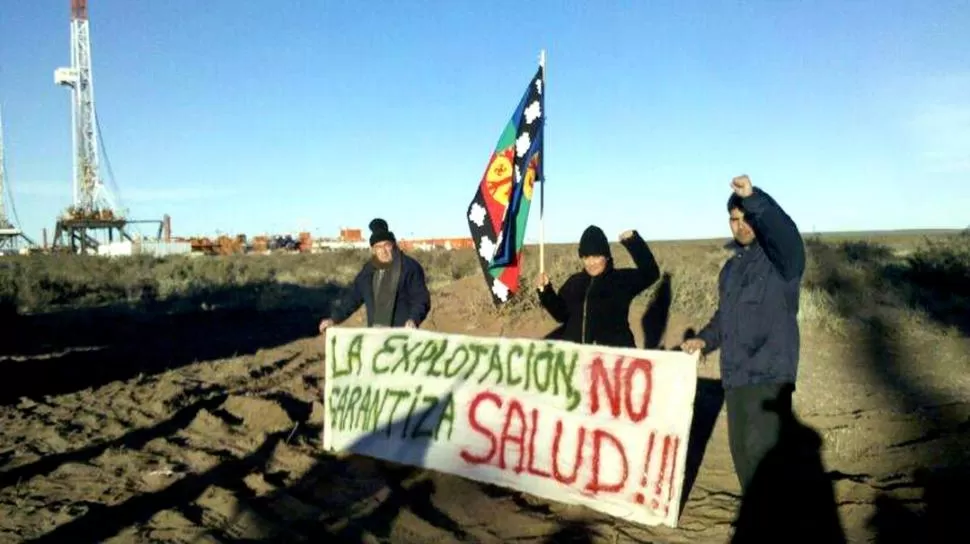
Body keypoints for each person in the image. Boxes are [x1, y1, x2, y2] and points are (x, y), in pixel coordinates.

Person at [681, 175, 806, 497]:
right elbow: (725, 318)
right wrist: (705, 340)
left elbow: (784, 231)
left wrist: (753, 199)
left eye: (747, 218)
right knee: (744, 457)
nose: (741, 225)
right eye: (735, 220)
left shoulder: (783, 260)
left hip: (769, 373)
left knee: (766, 458)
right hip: (735, 376)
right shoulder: (730, 269)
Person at [536, 226, 661, 348]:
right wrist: (546, 292)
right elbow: (561, 315)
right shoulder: (574, 282)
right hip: (580, 358)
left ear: (606, 256)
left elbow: (651, 273)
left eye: (596, 256)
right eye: (586, 257)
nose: (591, 263)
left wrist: (633, 241)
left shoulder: (621, 280)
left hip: (613, 360)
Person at [319, 218, 431, 332]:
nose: (383, 251)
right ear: (373, 250)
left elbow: (421, 299)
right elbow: (353, 297)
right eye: (378, 247)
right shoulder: (368, 271)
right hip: (375, 335)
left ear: (393, 245)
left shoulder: (409, 267)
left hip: (402, 335)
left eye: (386, 245)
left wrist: (413, 319)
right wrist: (334, 319)